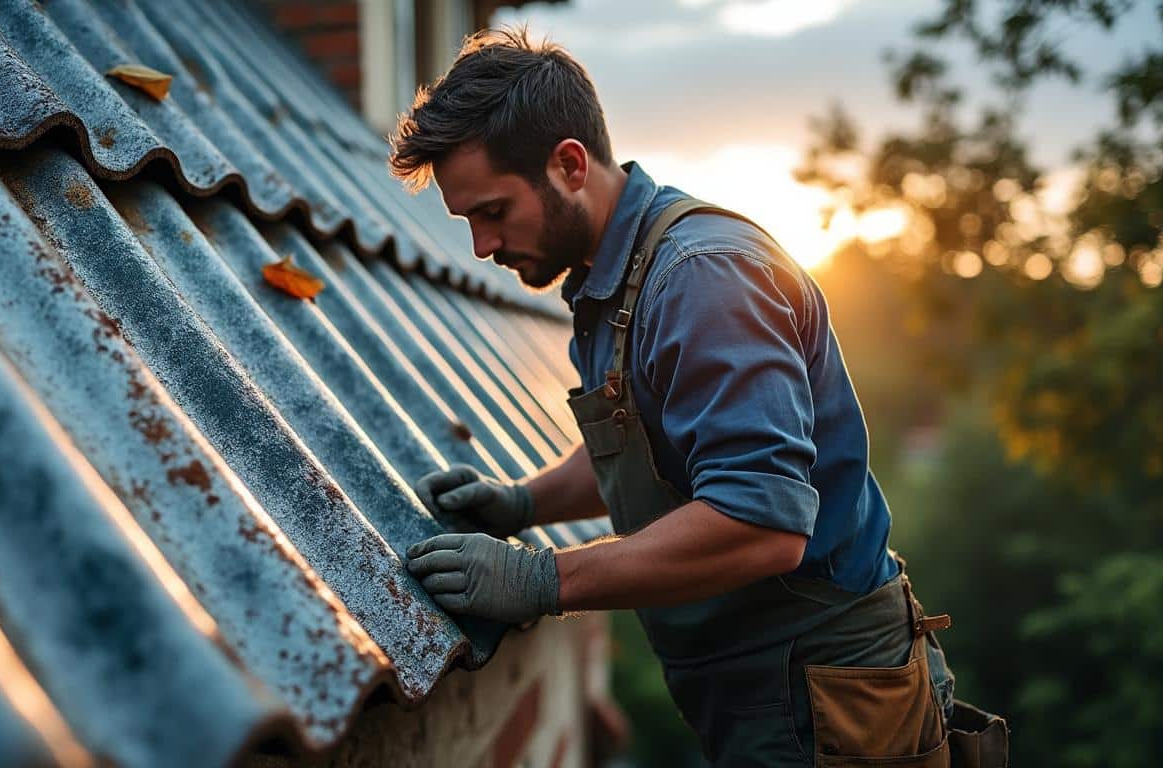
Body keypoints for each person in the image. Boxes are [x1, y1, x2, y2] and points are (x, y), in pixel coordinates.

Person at [388, 27, 988, 767]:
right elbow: (645, 439)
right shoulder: (610, 278)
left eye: (493, 212)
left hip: (824, 694)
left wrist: (544, 579)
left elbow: (760, 521)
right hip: (760, 688)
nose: (482, 246)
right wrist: (525, 504)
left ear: (569, 164)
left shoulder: (701, 279)